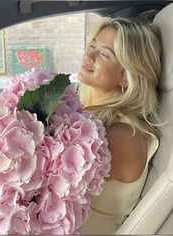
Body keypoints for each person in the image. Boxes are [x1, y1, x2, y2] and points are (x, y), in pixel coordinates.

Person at [78, 17, 162, 234]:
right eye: (93, 46)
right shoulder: (89, 115)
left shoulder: (122, 136)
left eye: (104, 54)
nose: (88, 55)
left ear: (126, 77)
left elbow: (48, 179)